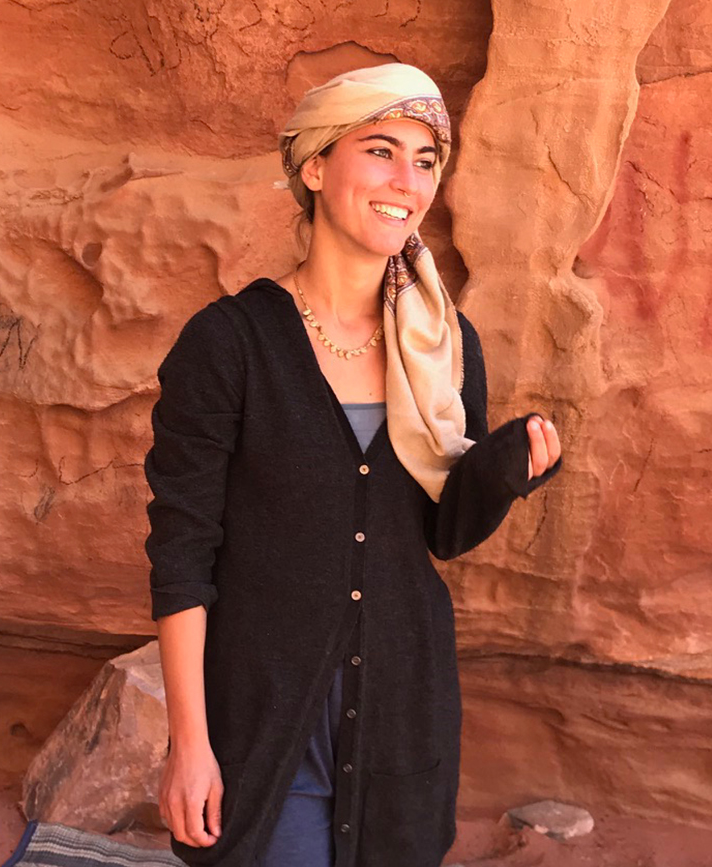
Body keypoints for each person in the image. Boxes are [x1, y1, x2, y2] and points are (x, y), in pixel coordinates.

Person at [145, 62, 564, 867]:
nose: (406, 181)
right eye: (381, 151)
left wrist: (502, 473)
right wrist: (188, 742)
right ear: (313, 166)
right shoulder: (230, 345)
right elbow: (183, 555)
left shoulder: (447, 347)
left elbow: (439, 534)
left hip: (402, 712)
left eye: (426, 160)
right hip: (267, 718)